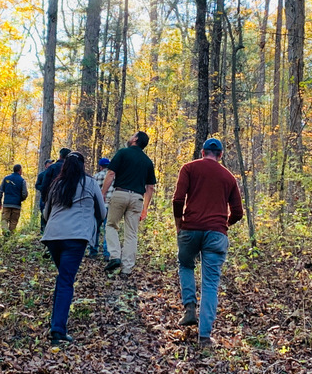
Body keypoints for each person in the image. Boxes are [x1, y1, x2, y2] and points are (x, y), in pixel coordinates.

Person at [172, 137, 244, 346]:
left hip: (190, 229)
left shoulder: (188, 168)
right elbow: (238, 212)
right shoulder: (229, 177)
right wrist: (223, 225)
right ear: (220, 155)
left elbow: (177, 200)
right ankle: (204, 336)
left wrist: (179, 224)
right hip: (216, 234)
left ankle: (189, 308)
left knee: (186, 264)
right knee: (210, 283)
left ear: (202, 152)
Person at [41, 152, 106, 344]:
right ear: (82, 165)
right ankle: (57, 329)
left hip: (53, 237)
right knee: (65, 280)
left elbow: (46, 214)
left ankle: (56, 323)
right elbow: (102, 211)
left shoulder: (56, 184)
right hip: (76, 237)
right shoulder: (90, 183)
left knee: (63, 278)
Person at [101, 131, 156, 277]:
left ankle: (115, 256)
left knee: (111, 225)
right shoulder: (147, 161)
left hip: (120, 194)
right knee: (131, 234)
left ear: (135, 139)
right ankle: (126, 269)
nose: (130, 137)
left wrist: (102, 193)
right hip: (137, 198)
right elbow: (150, 187)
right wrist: (145, 208)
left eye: (132, 135)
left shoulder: (123, 153)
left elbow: (111, 173)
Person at [37, 149, 69, 232]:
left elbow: (45, 185)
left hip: (52, 197)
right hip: (66, 198)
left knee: (49, 216)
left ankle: (49, 233)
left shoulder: (52, 168)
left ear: (60, 156)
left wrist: (45, 198)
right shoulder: (71, 169)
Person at [0, 164, 28, 235]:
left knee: (4, 220)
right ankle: (10, 237)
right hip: (17, 205)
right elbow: (24, 194)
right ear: (20, 170)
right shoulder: (22, 181)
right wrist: (20, 199)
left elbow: (0, 191)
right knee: (13, 221)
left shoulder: (6, 179)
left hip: (6, 203)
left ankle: (5, 233)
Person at [91, 157, 113, 259]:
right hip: (111, 206)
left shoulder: (95, 177)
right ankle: (107, 253)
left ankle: (93, 250)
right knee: (108, 229)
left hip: (98, 207)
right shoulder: (114, 177)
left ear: (100, 167)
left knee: (95, 228)